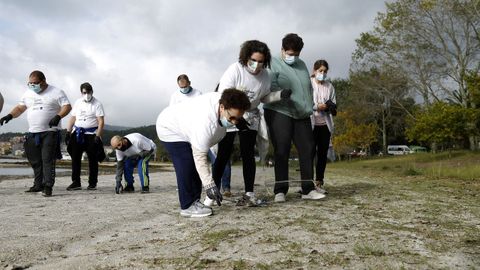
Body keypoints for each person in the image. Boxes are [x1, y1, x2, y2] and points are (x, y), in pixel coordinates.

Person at [211, 40, 290, 206]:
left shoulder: (265, 76)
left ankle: (249, 193)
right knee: (224, 153)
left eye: (261, 61)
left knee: (248, 154)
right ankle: (212, 192)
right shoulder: (235, 69)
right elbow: (223, 94)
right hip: (232, 113)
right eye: (253, 60)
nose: (257, 65)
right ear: (246, 57)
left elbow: (264, 97)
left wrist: (279, 95)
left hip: (251, 115)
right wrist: (235, 119)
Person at [156, 89, 251, 218]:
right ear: (222, 107)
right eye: (232, 118)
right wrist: (209, 185)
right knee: (187, 164)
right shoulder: (206, 123)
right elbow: (200, 157)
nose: (234, 122)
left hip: (186, 125)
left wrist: (239, 120)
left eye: (238, 118)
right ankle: (188, 206)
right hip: (169, 128)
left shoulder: (225, 100)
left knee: (192, 165)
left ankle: (195, 201)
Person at [263, 33, 326, 202]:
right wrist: (282, 95)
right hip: (280, 111)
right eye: (290, 54)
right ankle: (280, 190)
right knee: (282, 149)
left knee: (308, 148)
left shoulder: (302, 64)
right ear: (282, 50)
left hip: (302, 113)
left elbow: (307, 88)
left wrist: (309, 106)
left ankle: (308, 189)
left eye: (296, 54)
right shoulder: (272, 63)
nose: (293, 57)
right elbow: (270, 88)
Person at [0, 70, 71, 197]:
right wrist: (9, 116)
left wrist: (58, 116)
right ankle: (38, 184)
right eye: (30, 83)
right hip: (33, 133)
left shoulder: (56, 92)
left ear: (43, 81)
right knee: (35, 161)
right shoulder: (28, 93)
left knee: (47, 160)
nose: (33, 86)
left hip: (50, 132)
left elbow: (67, 107)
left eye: (35, 83)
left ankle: (48, 186)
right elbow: (20, 108)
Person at [65, 82, 105, 191]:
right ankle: (76, 182)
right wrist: (68, 132)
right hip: (77, 133)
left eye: (89, 92)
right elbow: (73, 118)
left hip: (91, 134)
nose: (87, 94)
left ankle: (92, 183)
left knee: (93, 159)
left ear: (92, 92)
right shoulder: (78, 102)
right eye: (84, 92)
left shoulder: (97, 104)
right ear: (81, 93)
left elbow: (101, 121)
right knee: (75, 158)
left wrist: (98, 135)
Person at [311, 60, 336, 194]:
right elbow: (305, 102)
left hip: (325, 125)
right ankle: (307, 183)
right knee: (309, 153)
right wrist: (316, 106)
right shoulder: (309, 84)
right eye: (320, 71)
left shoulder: (330, 86)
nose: (323, 73)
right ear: (314, 71)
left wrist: (330, 107)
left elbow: (333, 102)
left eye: (325, 71)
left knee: (322, 154)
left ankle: (319, 181)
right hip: (311, 124)